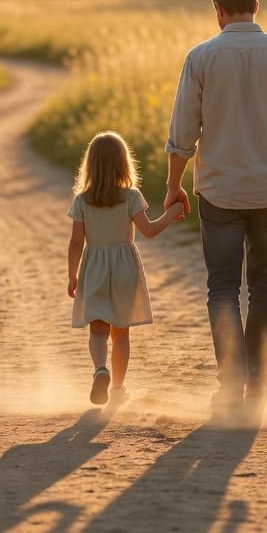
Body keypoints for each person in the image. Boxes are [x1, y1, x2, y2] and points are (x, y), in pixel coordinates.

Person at [164, 0, 267, 412]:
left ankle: (231, 382)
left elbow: (182, 132)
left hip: (219, 191)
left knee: (222, 288)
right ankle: (259, 379)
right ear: (258, 5)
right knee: (266, 285)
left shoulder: (201, 57)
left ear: (218, 9)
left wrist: (174, 184)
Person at [68, 131, 185, 405]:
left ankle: (100, 370)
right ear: (124, 163)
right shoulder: (131, 196)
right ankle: (118, 389)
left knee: (98, 330)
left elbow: (76, 242)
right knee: (121, 334)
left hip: (94, 267)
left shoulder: (82, 200)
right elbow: (150, 230)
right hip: (124, 269)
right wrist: (172, 212)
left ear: (90, 165)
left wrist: (72, 274)